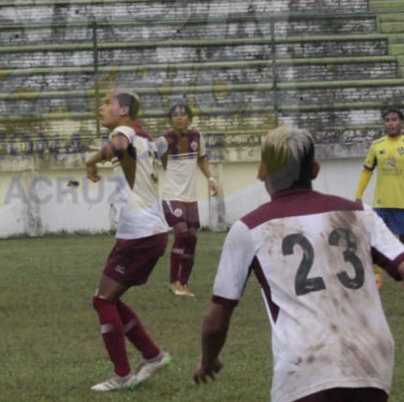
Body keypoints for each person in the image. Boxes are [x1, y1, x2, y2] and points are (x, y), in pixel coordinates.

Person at [195, 126, 404, 402]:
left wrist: (208, 361)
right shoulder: (359, 214)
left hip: (306, 362)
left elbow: (217, 319)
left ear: (264, 171)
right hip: (371, 356)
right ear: (315, 169)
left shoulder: (249, 228)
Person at [84, 89, 172, 391]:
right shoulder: (144, 137)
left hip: (139, 232)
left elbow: (118, 145)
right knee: (109, 297)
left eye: (108, 103)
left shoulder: (123, 132)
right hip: (149, 231)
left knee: (102, 299)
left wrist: (91, 160)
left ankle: (122, 374)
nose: (102, 107)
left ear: (123, 111)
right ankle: (152, 355)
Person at [157, 102, 218, 297]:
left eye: (183, 114)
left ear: (189, 118)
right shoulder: (164, 141)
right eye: (175, 114)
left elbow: (201, 160)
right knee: (181, 233)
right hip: (171, 195)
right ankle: (173, 282)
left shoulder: (197, 137)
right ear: (170, 119)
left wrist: (210, 178)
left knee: (192, 237)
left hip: (191, 197)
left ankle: (184, 283)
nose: (179, 117)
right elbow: (156, 162)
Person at [355, 108, 404, 288]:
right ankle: (376, 277)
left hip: (402, 201)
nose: (390, 123)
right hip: (382, 202)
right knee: (376, 240)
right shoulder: (377, 145)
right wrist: (358, 195)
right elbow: (366, 171)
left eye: (394, 120)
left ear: (401, 123)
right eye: (387, 120)